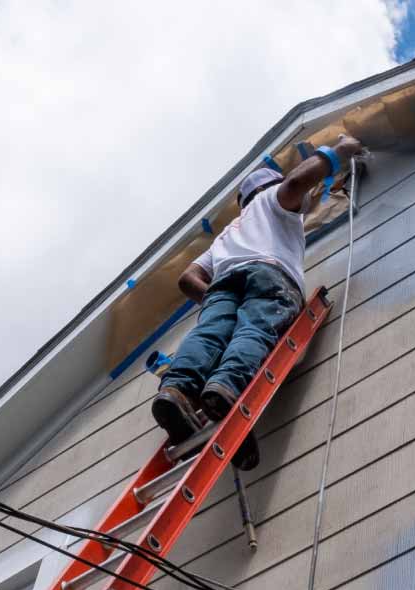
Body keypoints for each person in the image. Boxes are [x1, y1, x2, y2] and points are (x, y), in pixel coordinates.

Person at [151, 135, 365, 464]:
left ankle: (176, 390)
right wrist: (339, 151)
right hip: (269, 276)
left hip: (223, 283)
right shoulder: (271, 201)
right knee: (255, 329)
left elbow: (187, 279)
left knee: (209, 334)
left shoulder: (228, 233)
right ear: (266, 188)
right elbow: (296, 182)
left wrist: (217, 299)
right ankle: (226, 387)